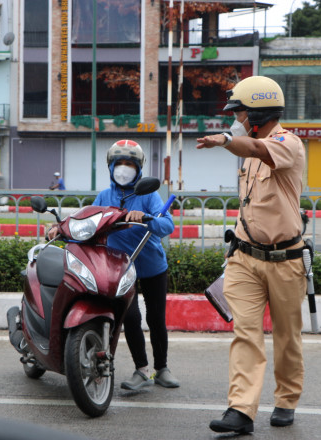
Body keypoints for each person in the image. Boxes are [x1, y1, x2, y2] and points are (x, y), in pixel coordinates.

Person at [195, 76, 307, 434]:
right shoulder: (248, 146)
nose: (235, 118)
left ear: (257, 113)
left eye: (239, 112)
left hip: (286, 259)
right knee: (246, 333)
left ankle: (287, 398)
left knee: (287, 335)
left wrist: (227, 140)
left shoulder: (288, 144)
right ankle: (241, 410)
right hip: (244, 257)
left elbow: (258, 150)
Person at [47, 140, 179, 391]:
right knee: (130, 317)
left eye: (130, 164)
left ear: (139, 169)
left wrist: (148, 218)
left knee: (156, 318)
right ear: (111, 167)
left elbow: (167, 226)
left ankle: (162, 369)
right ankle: (142, 371)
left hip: (151, 265)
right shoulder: (104, 196)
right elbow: (87, 223)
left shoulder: (148, 195)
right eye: (119, 163)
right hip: (118, 267)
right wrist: (61, 229)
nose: (124, 169)